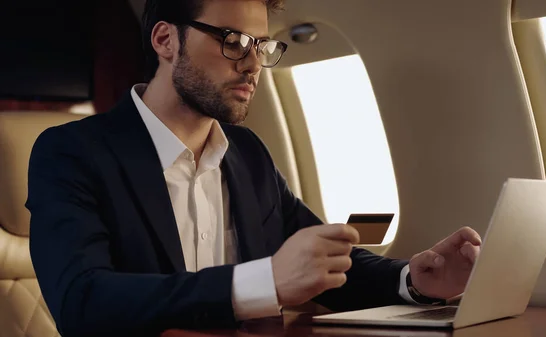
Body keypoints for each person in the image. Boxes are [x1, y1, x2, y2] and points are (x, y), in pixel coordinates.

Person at [26, 0, 482, 336]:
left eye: (262, 45)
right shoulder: (71, 152)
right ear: (165, 40)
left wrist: (414, 281)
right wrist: (264, 283)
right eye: (233, 41)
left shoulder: (247, 153)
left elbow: (317, 261)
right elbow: (81, 302)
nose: (252, 64)